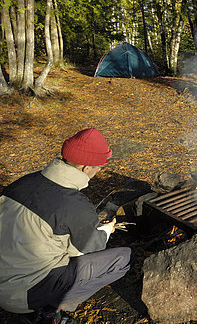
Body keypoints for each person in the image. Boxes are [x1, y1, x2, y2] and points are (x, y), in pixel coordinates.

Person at [0, 128, 132, 324]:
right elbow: (90, 248)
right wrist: (105, 230)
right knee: (123, 259)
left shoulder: (22, 183)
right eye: (99, 168)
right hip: (24, 294)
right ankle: (49, 311)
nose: (98, 172)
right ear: (86, 167)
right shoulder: (75, 204)